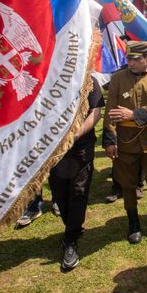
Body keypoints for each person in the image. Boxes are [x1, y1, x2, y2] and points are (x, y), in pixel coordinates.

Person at [103, 41, 147, 244]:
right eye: (128, 59)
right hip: (125, 140)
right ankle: (133, 221)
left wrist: (132, 114)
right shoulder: (117, 78)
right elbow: (111, 111)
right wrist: (110, 140)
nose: (131, 63)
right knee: (128, 184)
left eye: (136, 59)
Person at [50, 76, 104, 270]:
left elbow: (95, 113)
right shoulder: (49, 78)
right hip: (54, 148)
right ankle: (72, 226)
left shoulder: (89, 81)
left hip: (80, 146)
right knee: (59, 191)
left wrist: (76, 134)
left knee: (78, 191)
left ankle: (71, 238)